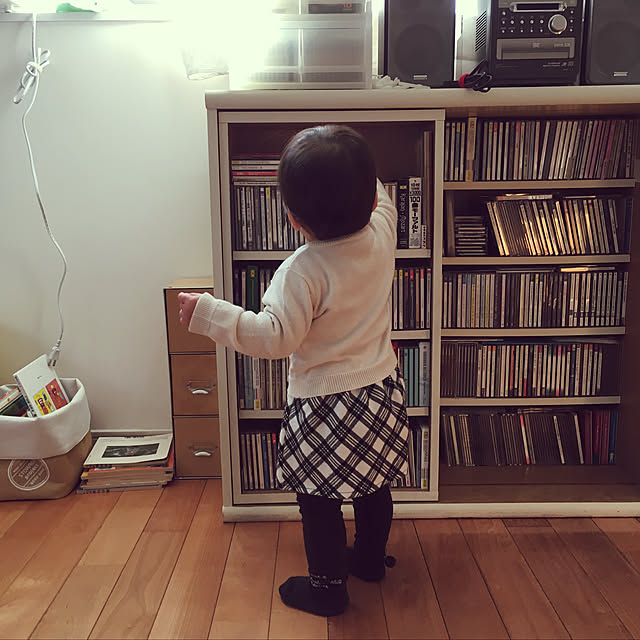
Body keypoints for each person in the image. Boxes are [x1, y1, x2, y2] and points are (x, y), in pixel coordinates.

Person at [178, 124, 409, 617]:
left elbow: (273, 337)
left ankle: (327, 589)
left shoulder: (301, 271)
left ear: (293, 218)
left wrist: (209, 313)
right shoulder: (383, 233)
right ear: (371, 201)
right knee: (374, 485)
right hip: (381, 392)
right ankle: (370, 560)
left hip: (324, 405)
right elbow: (383, 199)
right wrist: (359, 166)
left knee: (318, 500)